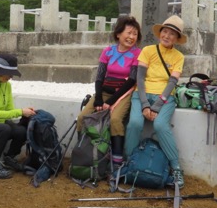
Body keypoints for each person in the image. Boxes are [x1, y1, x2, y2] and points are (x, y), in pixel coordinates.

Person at [124, 15, 186, 187]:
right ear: (160, 33)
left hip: (165, 97)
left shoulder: (178, 56)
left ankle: (177, 168)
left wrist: (157, 105)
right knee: (135, 123)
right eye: (165, 32)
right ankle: (129, 162)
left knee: (160, 125)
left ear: (177, 38)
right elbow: (140, 78)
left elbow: (172, 82)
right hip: (141, 95)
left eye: (172, 34)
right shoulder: (148, 51)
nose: (167, 36)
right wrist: (145, 104)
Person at [76, 15, 142, 167]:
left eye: (135, 34)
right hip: (104, 90)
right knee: (82, 117)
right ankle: (81, 152)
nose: (131, 37)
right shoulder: (107, 51)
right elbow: (99, 77)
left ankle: (117, 161)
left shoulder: (137, 53)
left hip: (123, 93)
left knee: (115, 119)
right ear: (118, 33)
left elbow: (132, 80)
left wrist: (111, 102)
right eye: (129, 33)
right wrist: (99, 98)